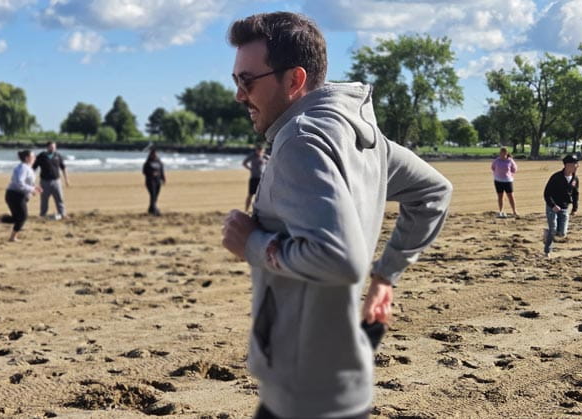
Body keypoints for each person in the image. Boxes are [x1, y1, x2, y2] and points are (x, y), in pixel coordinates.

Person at [220, 12, 452, 419]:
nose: (239, 95)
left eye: (247, 80)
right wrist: (387, 276)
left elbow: (340, 259)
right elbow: (434, 192)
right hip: (336, 379)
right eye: (236, 80)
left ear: (294, 80)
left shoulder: (301, 140)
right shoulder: (359, 134)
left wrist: (252, 244)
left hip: (306, 390)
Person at [0, 150, 42, 242]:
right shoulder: (23, 168)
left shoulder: (28, 168)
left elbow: (26, 183)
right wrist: (32, 189)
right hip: (15, 195)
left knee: (16, 218)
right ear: (27, 158)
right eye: (33, 156)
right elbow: (19, 183)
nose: (35, 158)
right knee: (23, 217)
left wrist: (34, 188)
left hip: (17, 195)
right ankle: (13, 237)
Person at [543, 154, 580, 256]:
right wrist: (553, 205)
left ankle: (547, 234)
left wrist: (575, 208)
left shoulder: (575, 178)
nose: (577, 166)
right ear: (567, 165)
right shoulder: (556, 177)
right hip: (552, 207)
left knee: (562, 233)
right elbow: (547, 193)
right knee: (553, 229)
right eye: (575, 164)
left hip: (564, 207)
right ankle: (548, 251)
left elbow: (576, 194)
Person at [32, 141, 69, 220]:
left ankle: (62, 214)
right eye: (51, 147)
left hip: (56, 181)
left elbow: (63, 168)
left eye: (54, 147)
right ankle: (42, 215)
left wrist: (66, 180)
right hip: (44, 182)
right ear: (47, 147)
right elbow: (33, 168)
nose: (53, 148)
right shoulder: (42, 156)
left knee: (59, 198)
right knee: (44, 200)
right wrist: (32, 181)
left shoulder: (58, 155)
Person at [490, 147, 517, 218]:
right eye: (501, 153)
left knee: (510, 196)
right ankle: (501, 211)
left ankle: (514, 211)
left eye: (504, 152)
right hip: (498, 181)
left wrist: (509, 174)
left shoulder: (510, 161)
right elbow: (492, 167)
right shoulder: (496, 161)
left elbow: (514, 169)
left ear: (506, 153)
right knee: (500, 196)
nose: (502, 154)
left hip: (508, 181)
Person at [242, 144, 269, 212]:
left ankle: (258, 211)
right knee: (250, 195)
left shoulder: (265, 156)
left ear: (263, 151)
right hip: (253, 178)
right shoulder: (252, 156)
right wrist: (250, 168)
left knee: (261, 196)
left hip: (262, 179)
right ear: (256, 150)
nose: (260, 152)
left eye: (261, 151)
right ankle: (246, 210)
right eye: (258, 150)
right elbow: (244, 163)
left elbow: (272, 161)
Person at [142, 149, 166, 216]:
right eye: (152, 154)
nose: (154, 155)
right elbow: (144, 172)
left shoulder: (159, 162)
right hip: (150, 181)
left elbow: (162, 171)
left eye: (155, 154)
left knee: (156, 195)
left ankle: (151, 208)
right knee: (152, 195)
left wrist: (163, 178)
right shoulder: (147, 163)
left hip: (158, 181)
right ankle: (154, 209)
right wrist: (151, 173)